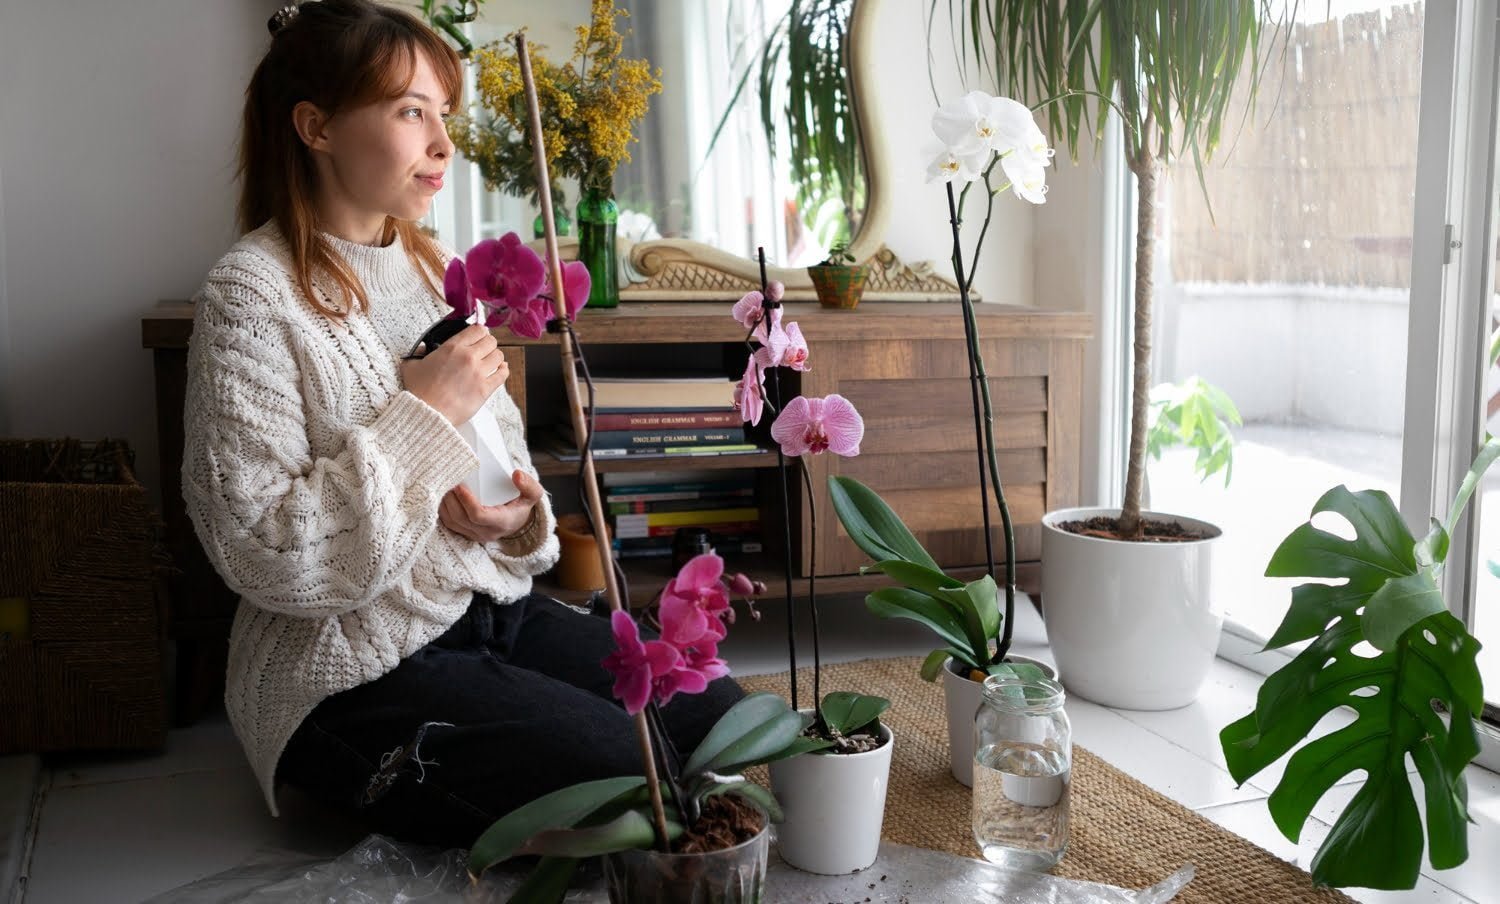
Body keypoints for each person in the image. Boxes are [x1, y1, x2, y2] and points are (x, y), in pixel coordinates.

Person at [181, 0, 742, 850]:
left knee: (719, 719)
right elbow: (260, 548)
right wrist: (424, 412)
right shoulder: (251, 295)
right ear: (316, 126)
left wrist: (511, 513)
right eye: (412, 111)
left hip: (488, 612)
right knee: (636, 787)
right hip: (348, 671)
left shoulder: (425, 268)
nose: (444, 143)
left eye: (444, 113)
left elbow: (504, 445)